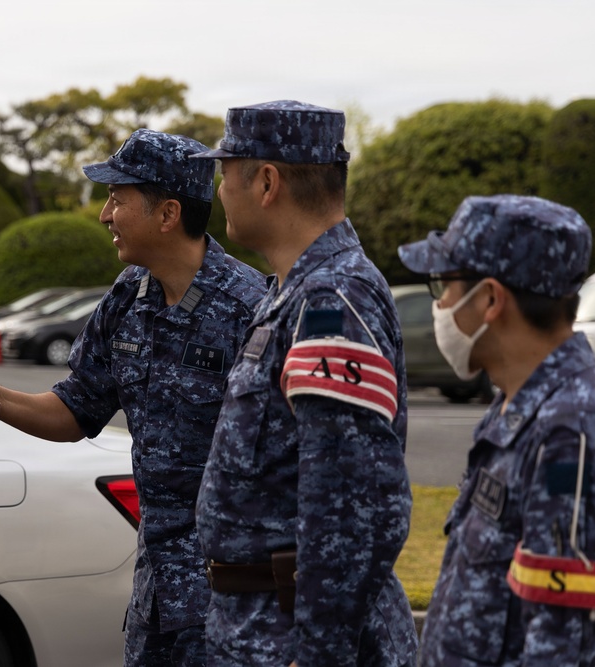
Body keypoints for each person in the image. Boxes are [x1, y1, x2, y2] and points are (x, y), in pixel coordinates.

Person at [0, 128, 267, 666]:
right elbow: (76, 407)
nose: (105, 215)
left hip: (234, 603)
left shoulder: (253, 310)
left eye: (117, 198)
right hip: (158, 595)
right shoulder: (130, 295)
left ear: (167, 213)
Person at [190, 101, 417, 666]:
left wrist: (320, 653)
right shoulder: (295, 291)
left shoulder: (330, 302)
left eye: (225, 173)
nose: (220, 192)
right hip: (260, 625)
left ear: (267, 182)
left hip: (292, 636)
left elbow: (355, 511)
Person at [398, 194, 595, 666]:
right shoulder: (515, 404)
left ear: (490, 299)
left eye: (444, 284)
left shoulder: (573, 430)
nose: (440, 304)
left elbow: (568, 646)